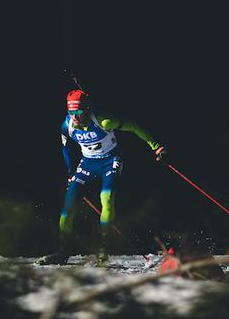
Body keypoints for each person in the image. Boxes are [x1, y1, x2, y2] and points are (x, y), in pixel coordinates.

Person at [48, 89, 165, 266]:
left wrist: (156, 146)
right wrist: (71, 173)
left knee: (107, 198)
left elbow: (133, 125)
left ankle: (104, 247)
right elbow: (66, 148)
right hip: (87, 163)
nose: (75, 117)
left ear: (87, 109)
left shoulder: (104, 121)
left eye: (78, 112)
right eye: (71, 112)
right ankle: (63, 251)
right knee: (67, 208)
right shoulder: (67, 126)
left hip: (110, 161)